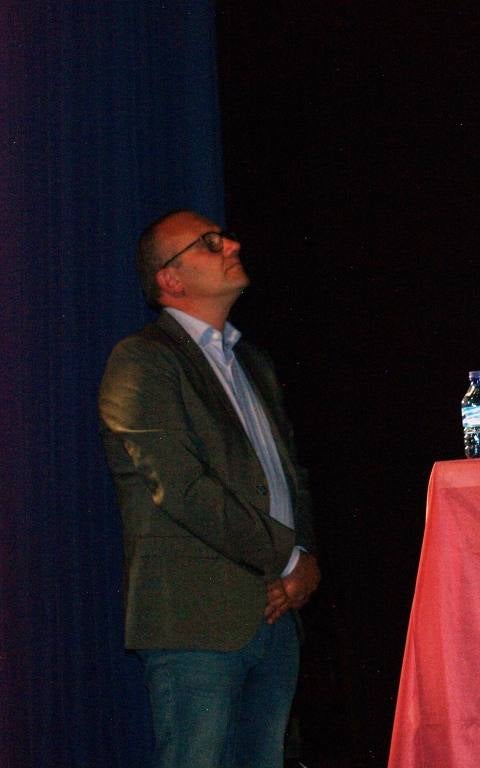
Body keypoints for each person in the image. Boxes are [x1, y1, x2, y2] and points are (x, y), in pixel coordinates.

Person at [99, 210, 319, 768]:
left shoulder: (251, 361)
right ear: (170, 278)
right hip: (195, 621)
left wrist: (305, 560)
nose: (232, 245)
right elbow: (181, 487)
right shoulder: (142, 361)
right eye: (209, 243)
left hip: (273, 616)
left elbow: (287, 475)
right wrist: (286, 558)